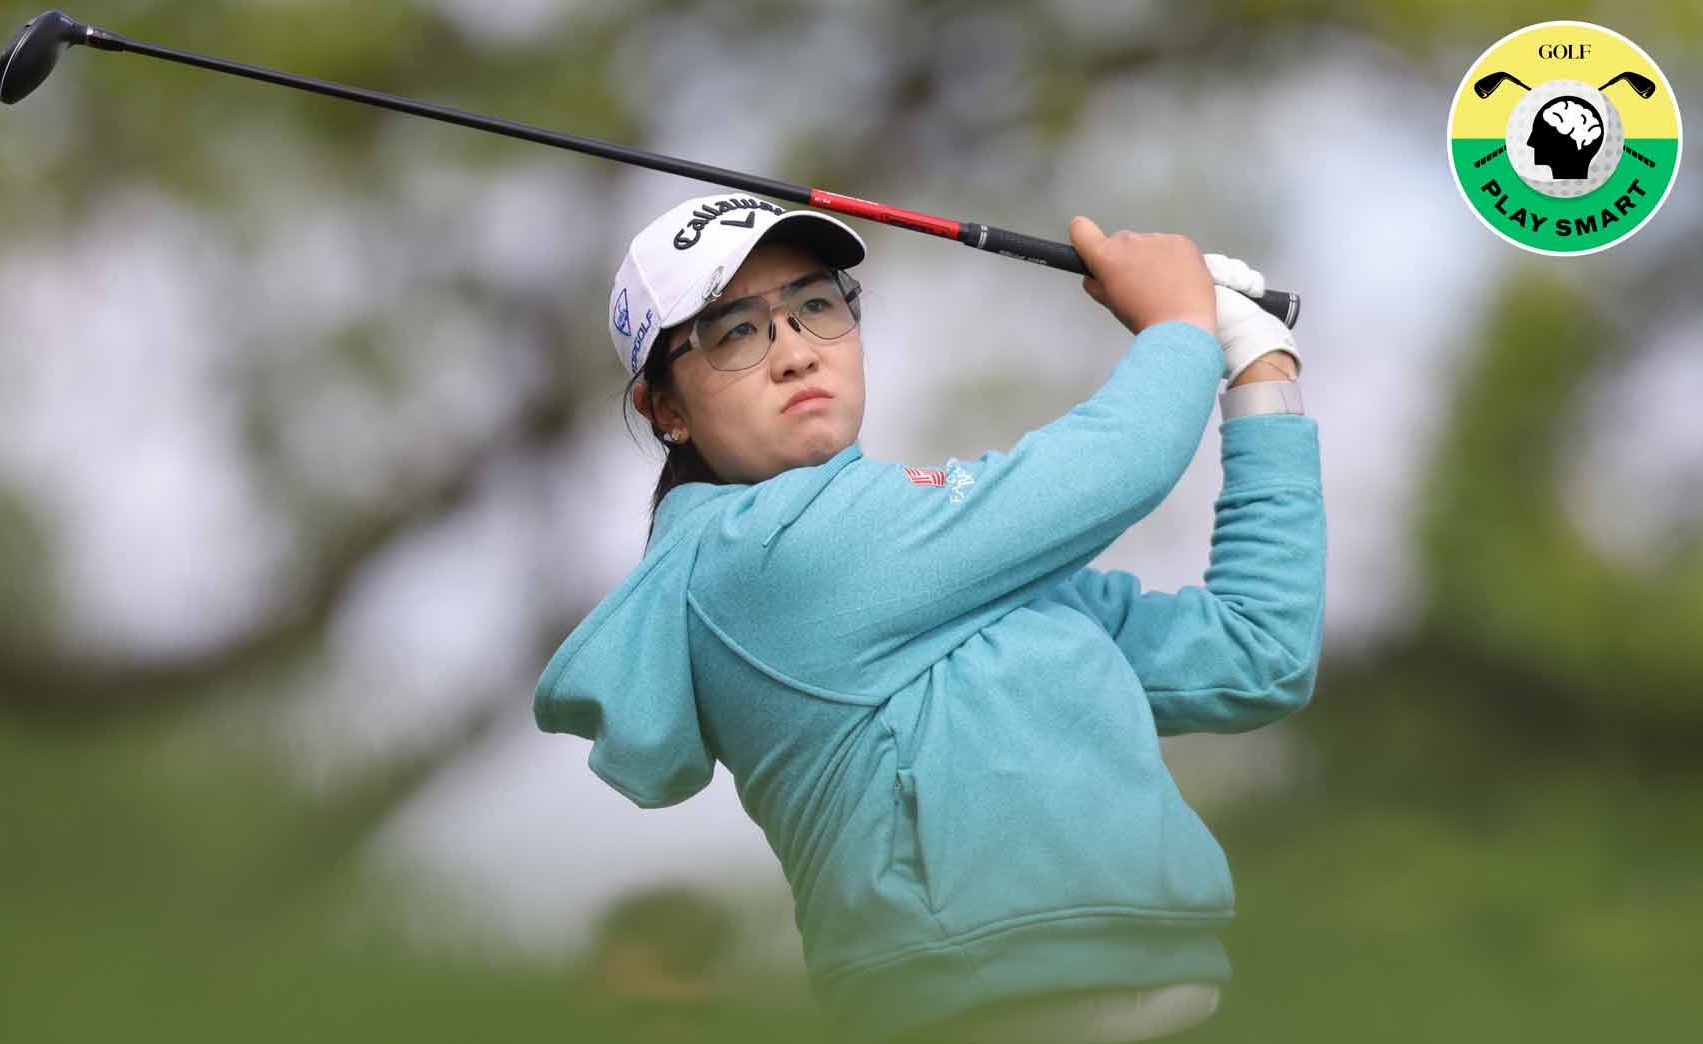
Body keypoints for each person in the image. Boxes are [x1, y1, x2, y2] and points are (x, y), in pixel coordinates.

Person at [535, 191, 1324, 1043]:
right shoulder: (756, 556)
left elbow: (1256, 652)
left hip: (1179, 1008)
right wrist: (1180, 326)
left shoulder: (959, 566)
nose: (795, 353)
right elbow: (1116, 463)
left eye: (816, 306)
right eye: (734, 332)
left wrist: (1258, 370)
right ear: (668, 410)